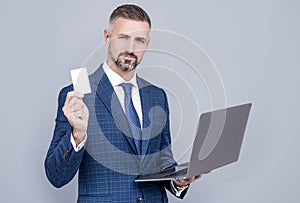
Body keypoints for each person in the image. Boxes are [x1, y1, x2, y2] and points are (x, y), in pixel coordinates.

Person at [45, 4, 206, 203]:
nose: (131, 48)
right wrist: (77, 135)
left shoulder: (157, 96)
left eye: (139, 40)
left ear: (147, 43)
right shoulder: (77, 93)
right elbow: (56, 176)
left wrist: (177, 179)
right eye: (123, 38)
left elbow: (163, 160)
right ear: (107, 37)